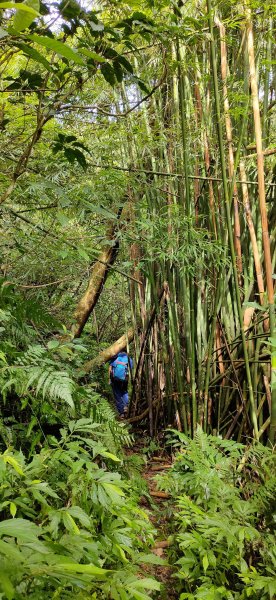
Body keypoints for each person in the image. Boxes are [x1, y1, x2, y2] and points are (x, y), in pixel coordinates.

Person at [108, 351, 133, 419]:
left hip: (115, 380)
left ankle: (121, 413)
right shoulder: (129, 358)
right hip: (124, 380)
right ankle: (125, 407)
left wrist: (109, 379)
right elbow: (130, 369)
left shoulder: (115, 357)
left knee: (117, 395)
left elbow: (110, 369)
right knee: (124, 392)